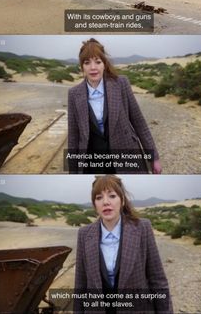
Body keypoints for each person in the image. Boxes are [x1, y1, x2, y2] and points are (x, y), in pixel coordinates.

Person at [74, 176, 173, 313]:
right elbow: (81, 284)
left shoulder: (142, 228)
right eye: (99, 198)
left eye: (112, 196)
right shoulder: (84, 234)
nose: (106, 202)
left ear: (122, 200)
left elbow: (157, 279)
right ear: (94, 204)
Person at [68, 38, 162, 174]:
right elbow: (73, 137)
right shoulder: (74, 94)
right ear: (81, 66)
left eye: (98, 62)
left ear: (104, 64)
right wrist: (73, 172)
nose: (93, 67)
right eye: (87, 63)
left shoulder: (121, 83)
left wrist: (154, 158)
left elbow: (139, 122)